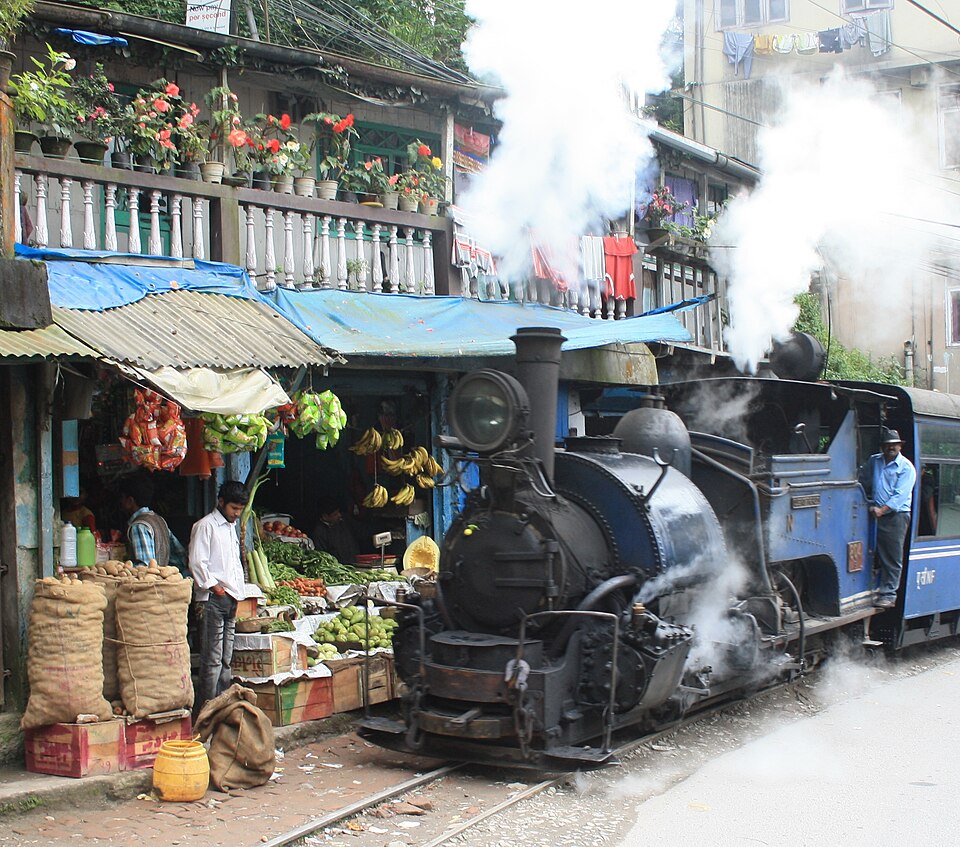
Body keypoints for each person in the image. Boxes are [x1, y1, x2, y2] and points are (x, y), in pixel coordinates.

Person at [188, 479, 249, 711]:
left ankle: (223, 707)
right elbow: (197, 562)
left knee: (226, 659)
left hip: (230, 598)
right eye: (234, 508)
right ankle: (207, 709)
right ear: (221, 502)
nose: (236, 514)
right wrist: (216, 588)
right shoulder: (206, 526)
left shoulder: (231, 527)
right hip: (213, 599)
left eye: (240, 510)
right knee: (212, 660)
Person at [865, 428, 916, 609]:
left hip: (895, 516)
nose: (890, 448)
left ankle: (889, 594)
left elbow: (899, 495)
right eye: (887, 445)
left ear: (900, 446)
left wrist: (882, 510)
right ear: (882, 447)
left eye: (894, 445)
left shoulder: (906, 468)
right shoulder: (874, 461)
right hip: (874, 512)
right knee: (871, 551)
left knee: (892, 556)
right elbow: (863, 480)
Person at [119, 474, 186, 570]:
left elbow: (145, 566)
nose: (120, 501)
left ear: (130, 501)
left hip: (152, 582)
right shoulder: (159, 519)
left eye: (122, 497)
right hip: (163, 579)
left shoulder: (139, 526)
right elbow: (180, 553)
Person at [311, 495, 361, 564]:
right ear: (325, 516)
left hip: (355, 563)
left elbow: (362, 530)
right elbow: (323, 557)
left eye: (339, 512)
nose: (339, 515)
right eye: (335, 514)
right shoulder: (319, 533)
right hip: (339, 568)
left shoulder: (344, 521)